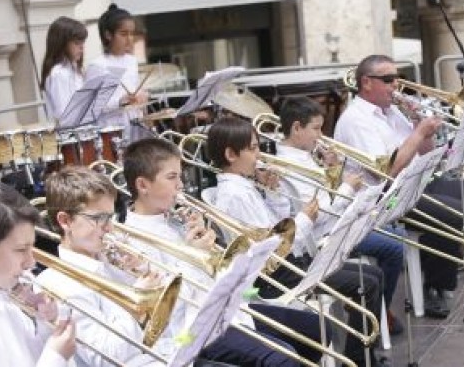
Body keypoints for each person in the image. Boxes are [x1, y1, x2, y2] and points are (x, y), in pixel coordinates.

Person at [334, 54, 464, 319]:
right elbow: (387, 172)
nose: (396, 85)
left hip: (418, 183)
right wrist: (417, 134)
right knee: (451, 211)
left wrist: (420, 127)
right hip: (386, 198)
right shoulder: (355, 119)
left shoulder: (391, 111)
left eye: (397, 78)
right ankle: (436, 287)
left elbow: (425, 153)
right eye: (389, 79)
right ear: (366, 82)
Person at [122, 137, 329, 366]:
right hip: (190, 332)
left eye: (180, 176)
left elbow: (222, 277)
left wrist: (212, 252)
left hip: (228, 312)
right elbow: (169, 312)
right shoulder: (133, 243)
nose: (180, 185)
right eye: (172, 178)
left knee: (317, 329)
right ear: (143, 185)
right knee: (283, 358)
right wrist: (193, 257)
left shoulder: (175, 219)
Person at [207, 117, 388, 367]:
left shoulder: (244, 187)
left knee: (373, 275)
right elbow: (272, 248)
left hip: (287, 263)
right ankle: (358, 359)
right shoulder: (235, 195)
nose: (259, 155)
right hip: (275, 275)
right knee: (367, 282)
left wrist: (273, 192)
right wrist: (304, 220)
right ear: (230, 154)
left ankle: (362, 356)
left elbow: (275, 226)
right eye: (252, 148)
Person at [276, 96, 405, 334]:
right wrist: (347, 188)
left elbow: (324, 199)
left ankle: (371, 318)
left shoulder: (305, 156)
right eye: (316, 128)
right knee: (392, 251)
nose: (321, 135)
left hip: (334, 228)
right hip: (322, 240)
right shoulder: (290, 165)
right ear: (296, 128)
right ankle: (371, 322)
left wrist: (332, 169)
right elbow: (321, 215)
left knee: (396, 236)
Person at [38, 167, 164, 367]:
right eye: (98, 219)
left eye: (110, 217)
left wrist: (140, 270)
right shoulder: (57, 284)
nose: (109, 228)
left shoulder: (109, 256)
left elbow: (166, 310)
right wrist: (134, 303)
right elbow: (105, 358)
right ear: (65, 220)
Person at [0, 182, 76, 367]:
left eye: (31, 248)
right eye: (20, 250)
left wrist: (46, 326)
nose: (31, 262)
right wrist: (56, 357)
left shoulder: (3, 292)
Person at [86, 4, 149, 143]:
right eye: (123, 34)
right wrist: (120, 101)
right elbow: (93, 107)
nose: (129, 39)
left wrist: (140, 97)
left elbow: (136, 89)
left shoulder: (132, 61)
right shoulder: (98, 65)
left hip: (134, 127)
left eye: (132, 33)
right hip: (111, 133)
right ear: (108, 35)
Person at [40, 16, 88, 122]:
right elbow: (64, 113)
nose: (82, 47)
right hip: (70, 134)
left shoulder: (75, 69)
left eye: (82, 43)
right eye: (76, 43)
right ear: (61, 44)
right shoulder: (58, 74)